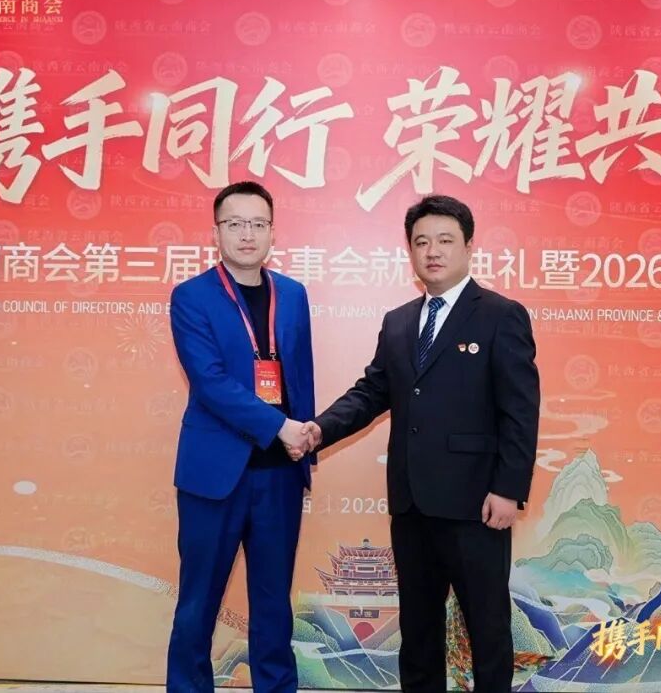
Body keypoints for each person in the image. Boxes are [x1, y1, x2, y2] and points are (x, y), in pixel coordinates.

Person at [300, 194, 540, 692]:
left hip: (476, 503)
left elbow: (520, 411)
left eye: (445, 240)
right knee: (419, 631)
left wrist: (509, 488)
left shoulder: (501, 315)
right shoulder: (399, 321)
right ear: (409, 250)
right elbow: (372, 392)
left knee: (487, 628)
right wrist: (321, 429)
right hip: (411, 503)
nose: (433, 251)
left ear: (468, 246)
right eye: (421, 242)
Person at [166, 181, 315, 693]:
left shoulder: (293, 295)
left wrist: (303, 440)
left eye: (257, 224)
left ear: (272, 231)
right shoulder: (191, 297)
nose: (247, 234)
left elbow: (299, 377)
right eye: (235, 224)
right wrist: (279, 426)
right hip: (214, 475)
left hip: (279, 474)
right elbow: (209, 383)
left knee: (274, 603)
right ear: (216, 233)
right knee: (198, 603)